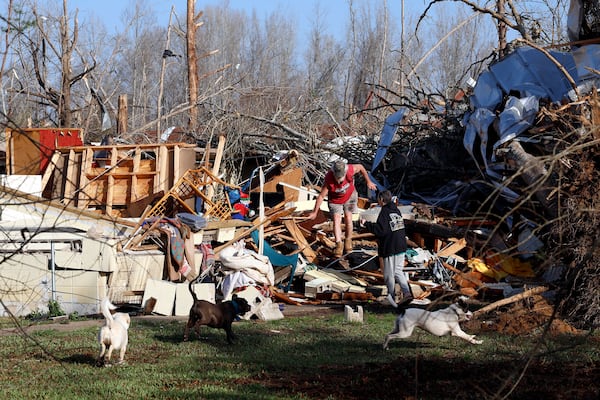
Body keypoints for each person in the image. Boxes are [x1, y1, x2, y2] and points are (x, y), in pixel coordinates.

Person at [307, 159, 377, 258]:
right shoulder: (329, 179)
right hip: (335, 201)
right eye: (337, 178)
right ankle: (339, 244)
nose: (339, 181)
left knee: (348, 218)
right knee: (336, 221)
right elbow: (321, 196)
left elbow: (361, 167)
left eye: (341, 178)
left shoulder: (350, 170)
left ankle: (348, 240)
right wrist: (315, 212)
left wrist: (368, 182)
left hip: (350, 196)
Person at [360, 190, 412, 307]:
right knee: (398, 271)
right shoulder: (396, 210)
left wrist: (366, 224)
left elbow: (381, 230)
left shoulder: (385, 211)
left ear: (382, 200)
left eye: (378, 199)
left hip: (391, 247)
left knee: (389, 274)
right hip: (401, 245)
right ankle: (407, 292)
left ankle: (391, 297)